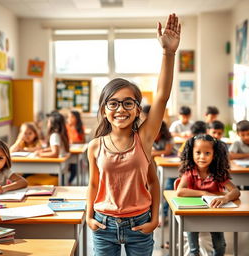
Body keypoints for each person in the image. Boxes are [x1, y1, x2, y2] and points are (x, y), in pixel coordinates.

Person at [86, 13, 180, 256]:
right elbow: (94, 183)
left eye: (128, 103)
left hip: (139, 224)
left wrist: (168, 53)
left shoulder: (144, 138)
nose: (121, 109)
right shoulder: (95, 146)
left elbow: (162, 96)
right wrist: (88, 217)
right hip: (103, 224)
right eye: (113, 103)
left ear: (138, 109)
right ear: (104, 110)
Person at [177, 134, 240, 256]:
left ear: (214, 154)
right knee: (193, 250)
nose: (202, 157)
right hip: (192, 215)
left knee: (220, 247)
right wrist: (204, 193)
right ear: (192, 153)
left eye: (207, 153)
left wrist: (225, 198)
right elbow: (180, 191)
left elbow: (236, 191)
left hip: (214, 215)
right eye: (198, 152)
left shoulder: (217, 173)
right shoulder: (190, 172)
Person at [66, 109, 86, 185]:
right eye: (68, 117)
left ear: (77, 118)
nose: (69, 119)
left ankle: (69, 182)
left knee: (74, 168)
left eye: (72, 117)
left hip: (76, 151)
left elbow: (83, 141)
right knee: (67, 167)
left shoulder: (80, 127)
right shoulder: (66, 127)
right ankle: (66, 181)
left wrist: (74, 142)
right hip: (68, 150)